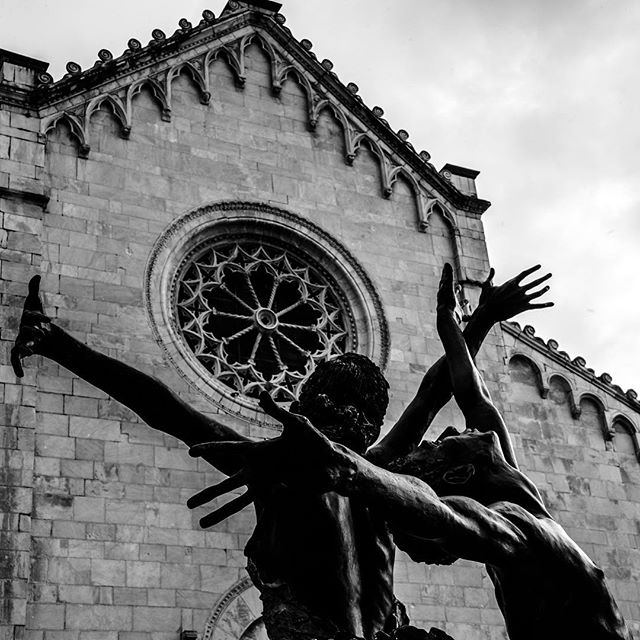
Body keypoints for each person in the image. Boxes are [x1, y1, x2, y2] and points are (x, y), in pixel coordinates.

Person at [12, 265, 551, 640]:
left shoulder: (365, 471)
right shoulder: (308, 468)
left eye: (357, 411)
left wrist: (474, 323)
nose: (349, 424)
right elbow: (163, 406)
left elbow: (434, 394)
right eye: (343, 405)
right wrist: (472, 323)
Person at [192, 264, 631, 640]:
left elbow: (440, 511)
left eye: (442, 441)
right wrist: (467, 324)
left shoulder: (515, 527)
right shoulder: (511, 478)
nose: (453, 429)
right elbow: (467, 394)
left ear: (459, 476)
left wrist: (350, 469)